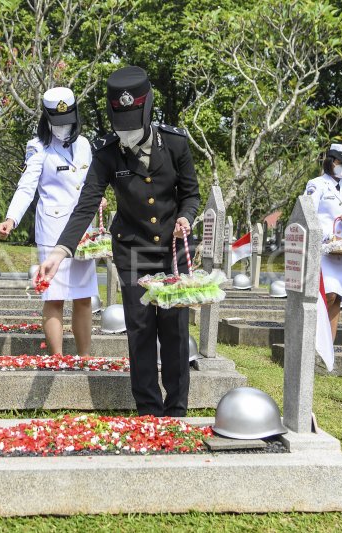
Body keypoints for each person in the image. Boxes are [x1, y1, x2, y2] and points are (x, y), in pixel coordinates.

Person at [38, 66, 201, 417]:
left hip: (173, 251)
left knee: (174, 331)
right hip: (133, 251)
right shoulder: (107, 152)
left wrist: (185, 218)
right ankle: (148, 411)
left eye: (132, 127)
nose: (126, 135)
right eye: (120, 127)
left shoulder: (175, 143)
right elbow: (85, 205)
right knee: (140, 330)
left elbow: (191, 194)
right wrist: (59, 252)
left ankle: (176, 410)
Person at [0, 87, 104, 356]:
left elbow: (91, 183)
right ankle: (57, 356)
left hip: (82, 232)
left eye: (66, 120)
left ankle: (85, 356)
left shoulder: (84, 145)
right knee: (54, 297)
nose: (61, 127)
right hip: (52, 231)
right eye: (56, 122)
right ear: (46, 119)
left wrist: (98, 199)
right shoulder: (38, 147)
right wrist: (12, 218)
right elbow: (26, 187)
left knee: (83, 298)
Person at [304, 143, 342, 339]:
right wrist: (327, 236)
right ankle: (313, 339)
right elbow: (308, 215)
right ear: (331, 162)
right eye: (340, 162)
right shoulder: (316, 184)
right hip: (322, 249)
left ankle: (329, 345)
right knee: (326, 295)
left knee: (337, 297)